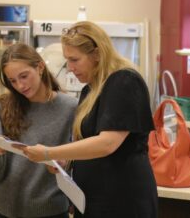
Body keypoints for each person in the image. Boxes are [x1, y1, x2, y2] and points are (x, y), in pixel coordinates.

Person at [16, 21, 158, 218]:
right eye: (67, 61)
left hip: (122, 199)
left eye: (75, 60)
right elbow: (87, 142)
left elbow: (107, 143)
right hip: (94, 198)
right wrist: (67, 161)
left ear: (97, 54)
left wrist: (49, 152)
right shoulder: (90, 89)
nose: (70, 68)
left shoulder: (124, 81)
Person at [0, 43, 78, 218]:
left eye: (24, 76)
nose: (20, 86)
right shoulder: (5, 107)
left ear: (40, 67)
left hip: (51, 211)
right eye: (13, 81)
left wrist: (66, 163)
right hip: (4, 210)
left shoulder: (70, 108)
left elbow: (82, 158)